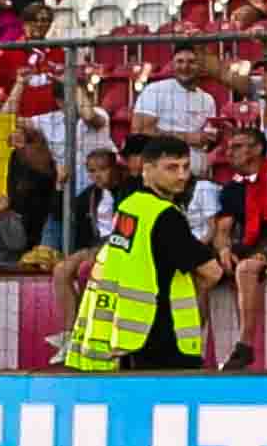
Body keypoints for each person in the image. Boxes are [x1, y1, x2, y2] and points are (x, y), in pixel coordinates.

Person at [63, 135, 213, 373]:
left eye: (185, 166)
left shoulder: (129, 206)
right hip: (167, 335)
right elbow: (211, 272)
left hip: (128, 334)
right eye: (171, 168)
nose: (182, 175)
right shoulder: (166, 215)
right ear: (148, 169)